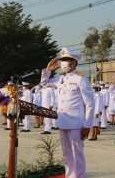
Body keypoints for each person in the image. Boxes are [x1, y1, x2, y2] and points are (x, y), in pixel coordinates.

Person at [40, 47, 94, 178]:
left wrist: (87, 125)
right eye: (62, 60)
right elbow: (44, 83)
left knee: (77, 154)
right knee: (66, 153)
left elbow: (90, 103)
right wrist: (48, 70)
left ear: (73, 62)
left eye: (66, 60)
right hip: (63, 121)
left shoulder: (81, 79)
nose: (63, 63)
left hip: (76, 123)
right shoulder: (60, 79)